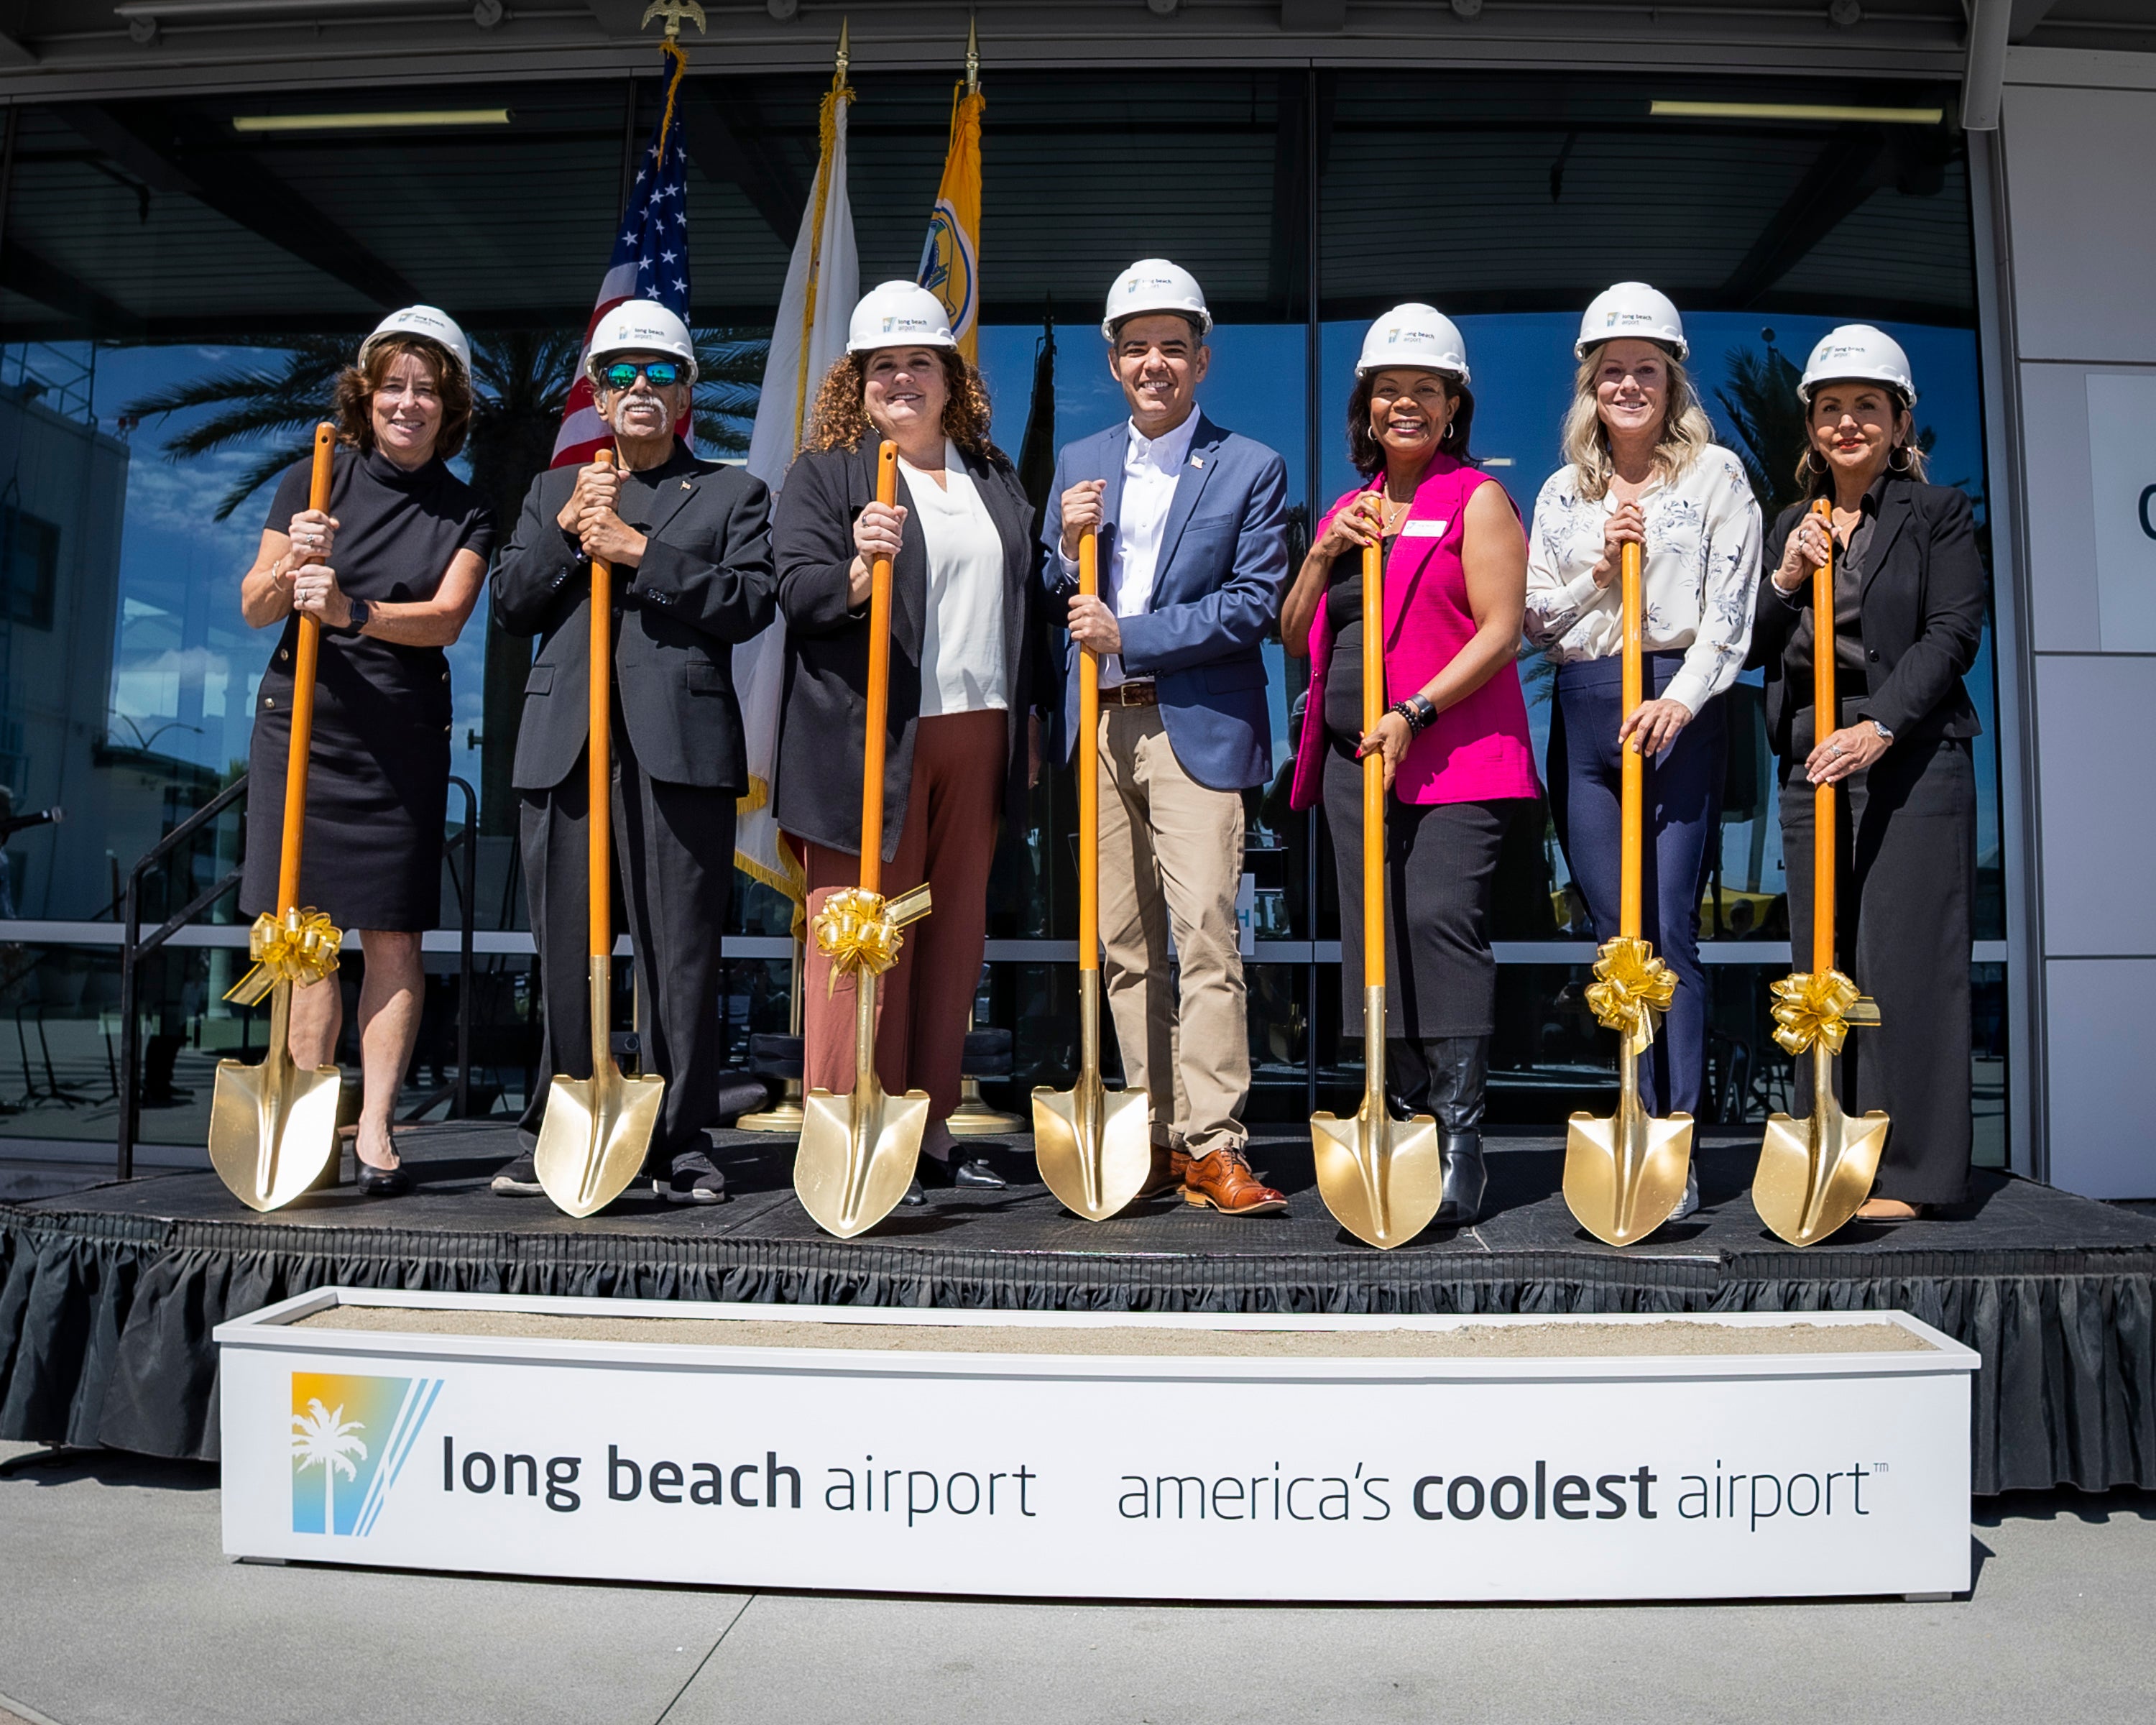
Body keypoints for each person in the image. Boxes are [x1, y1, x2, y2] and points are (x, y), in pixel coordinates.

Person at [486, 300, 775, 1205]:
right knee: (566, 949)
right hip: (564, 752)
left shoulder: (733, 491)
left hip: (675, 754)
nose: (639, 388)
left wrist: (639, 552)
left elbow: (748, 603)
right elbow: (510, 603)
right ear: (598, 398)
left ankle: (681, 1141)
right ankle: (563, 1123)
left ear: (687, 391)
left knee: (677, 953)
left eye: (658, 374)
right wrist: (574, 532)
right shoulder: (552, 493)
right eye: (619, 375)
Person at [773, 282, 1040, 1200]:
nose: (901, 379)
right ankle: (849, 1139)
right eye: (882, 365)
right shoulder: (828, 475)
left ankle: (924, 1140)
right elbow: (796, 594)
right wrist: (854, 568)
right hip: (866, 743)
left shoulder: (991, 474)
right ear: (857, 381)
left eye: (919, 362)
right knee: (859, 944)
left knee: (951, 941)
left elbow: (1023, 606)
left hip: (977, 735)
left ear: (949, 377)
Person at [1041, 259, 1291, 1217]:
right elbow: (1050, 589)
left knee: (1206, 940)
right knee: (1125, 944)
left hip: (1196, 725)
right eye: (1137, 347)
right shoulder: (1080, 461)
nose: (1156, 363)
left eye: (1172, 347)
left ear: (1202, 359)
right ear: (1114, 362)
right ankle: (1151, 1136)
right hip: (1103, 726)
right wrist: (1060, 550)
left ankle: (1216, 1141)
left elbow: (1253, 605)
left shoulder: (1250, 466)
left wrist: (1131, 635)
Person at [1280, 305, 1539, 1226]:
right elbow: (1294, 630)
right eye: (1389, 390)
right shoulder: (1347, 513)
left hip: (1455, 748)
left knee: (1437, 919)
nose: (1406, 404)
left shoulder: (1475, 498)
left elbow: (1503, 632)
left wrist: (1412, 710)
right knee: (1373, 933)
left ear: (1453, 406)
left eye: (1425, 390)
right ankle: (1401, 1119)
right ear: (1366, 404)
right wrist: (1319, 554)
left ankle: (1464, 1132)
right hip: (1358, 761)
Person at [237, 306, 494, 1197]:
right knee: (305, 935)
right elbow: (254, 608)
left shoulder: (467, 511)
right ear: (367, 394)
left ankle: (376, 1123)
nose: (409, 404)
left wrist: (351, 612)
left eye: (428, 390)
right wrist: (289, 565)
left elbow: (447, 619)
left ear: (449, 406)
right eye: (394, 387)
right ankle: (306, 1112)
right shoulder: (312, 480)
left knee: (391, 933)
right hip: (304, 727)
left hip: (399, 736)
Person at [1524, 283, 1760, 1219]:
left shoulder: (1716, 479)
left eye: (1646, 370)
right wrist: (1596, 566)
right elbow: (1538, 622)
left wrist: (1683, 701)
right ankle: (1628, 1113)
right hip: (1584, 708)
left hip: (1676, 709)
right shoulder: (1559, 491)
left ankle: (1676, 1136)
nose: (1628, 384)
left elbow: (1733, 620)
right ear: (1591, 384)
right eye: (1611, 370)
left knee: (1669, 930)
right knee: (1615, 937)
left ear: (1671, 381)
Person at [1751, 326, 1984, 1220]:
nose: (1848, 423)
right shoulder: (1792, 525)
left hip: (1911, 764)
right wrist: (1783, 576)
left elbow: (1953, 633)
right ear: (1811, 426)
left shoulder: (1938, 515)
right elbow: (1759, 649)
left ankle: (1917, 1176)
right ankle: (1833, 1148)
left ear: (1898, 422)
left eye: (1867, 408)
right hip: (1815, 770)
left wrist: (1881, 725)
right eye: (1831, 409)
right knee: (1826, 968)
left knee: (1905, 963)